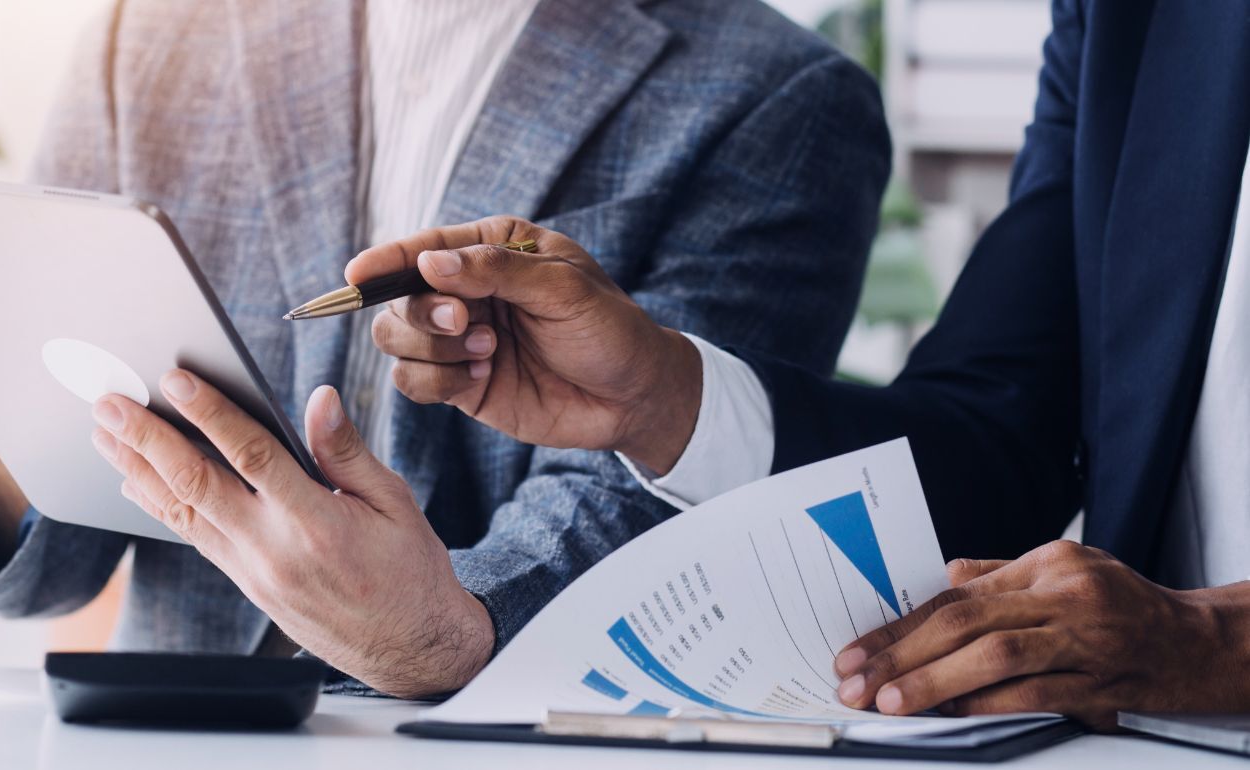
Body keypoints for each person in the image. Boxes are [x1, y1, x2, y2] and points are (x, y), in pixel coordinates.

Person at [0, 0, 891, 697]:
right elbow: (46, 569)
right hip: (162, 728)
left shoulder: (777, 91)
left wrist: (442, 628)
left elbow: (658, 492)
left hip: (487, 737)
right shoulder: (150, 29)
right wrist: (4, 375)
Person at [345, 0, 1250, 729]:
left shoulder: (778, 92)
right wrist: (666, 397)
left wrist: (1216, 645)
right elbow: (1004, 438)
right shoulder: (1141, 17)